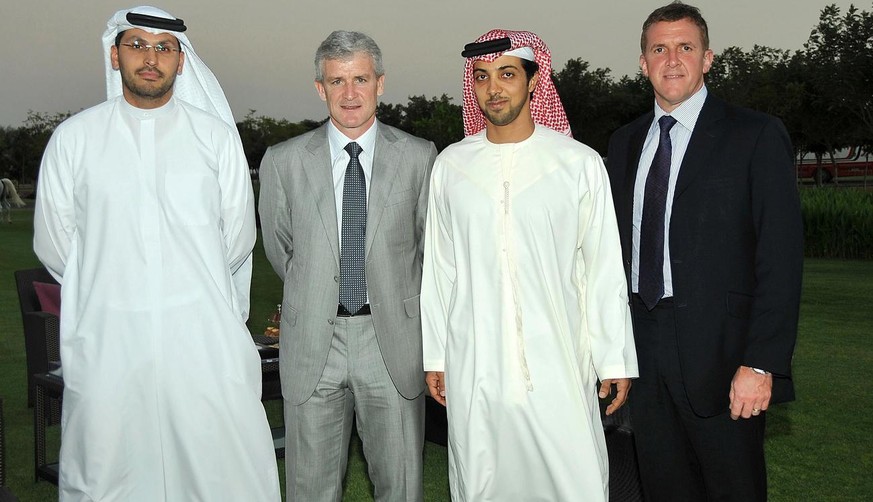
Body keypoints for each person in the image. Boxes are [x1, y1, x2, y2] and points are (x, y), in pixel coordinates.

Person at [33, 6, 280, 501]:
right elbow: (55, 245)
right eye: (137, 45)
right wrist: (113, 289)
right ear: (114, 54)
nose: (151, 57)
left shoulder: (215, 139)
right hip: (110, 341)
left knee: (218, 468)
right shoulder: (74, 139)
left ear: (181, 61)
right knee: (110, 469)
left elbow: (236, 239)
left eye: (164, 47)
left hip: (201, 339)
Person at [421, 29, 639, 501]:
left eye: (506, 74)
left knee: (572, 478)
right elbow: (439, 270)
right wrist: (436, 355)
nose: (493, 88)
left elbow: (602, 267)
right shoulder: (452, 167)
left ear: (534, 80)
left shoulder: (577, 164)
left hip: (558, 361)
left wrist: (613, 356)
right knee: (482, 478)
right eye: (481, 77)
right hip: (476, 363)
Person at [605, 2, 803, 500]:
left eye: (685, 47)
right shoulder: (624, 143)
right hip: (643, 356)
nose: (672, 59)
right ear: (642, 62)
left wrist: (762, 364)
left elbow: (780, 259)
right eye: (659, 48)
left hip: (724, 359)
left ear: (708, 58)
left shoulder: (754, 134)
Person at [259, 30, 437, 501]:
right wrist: (319, 290)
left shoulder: (420, 157)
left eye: (361, 78)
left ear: (381, 83)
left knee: (400, 486)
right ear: (321, 88)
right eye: (337, 81)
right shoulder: (283, 161)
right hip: (313, 344)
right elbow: (282, 251)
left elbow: (427, 250)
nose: (350, 93)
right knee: (310, 488)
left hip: (392, 345)